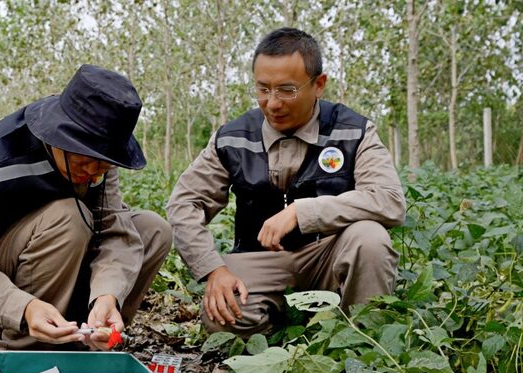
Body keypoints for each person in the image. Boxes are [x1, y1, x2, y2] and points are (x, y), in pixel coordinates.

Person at [166, 28, 406, 336]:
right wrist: (214, 269)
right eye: (263, 89)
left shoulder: (353, 131)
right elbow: (184, 203)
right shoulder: (233, 137)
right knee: (223, 318)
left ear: (319, 85)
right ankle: (281, 330)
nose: (272, 103)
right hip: (260, 261)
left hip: (327, 257)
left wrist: (303, 212)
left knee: (370, 239)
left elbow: (389, 200)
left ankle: (360, 340)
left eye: (286, 90)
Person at [0, 64, 171, 350]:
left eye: (104, 166)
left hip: (61, 271)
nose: (95, 175)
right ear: (60, 136)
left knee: (153, 229)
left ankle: (91, 337)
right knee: (67, 217)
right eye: (87, 162)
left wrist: (107, 295)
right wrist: (24, 307)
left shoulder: (98, 160)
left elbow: (115, 232)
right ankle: (25, 354)